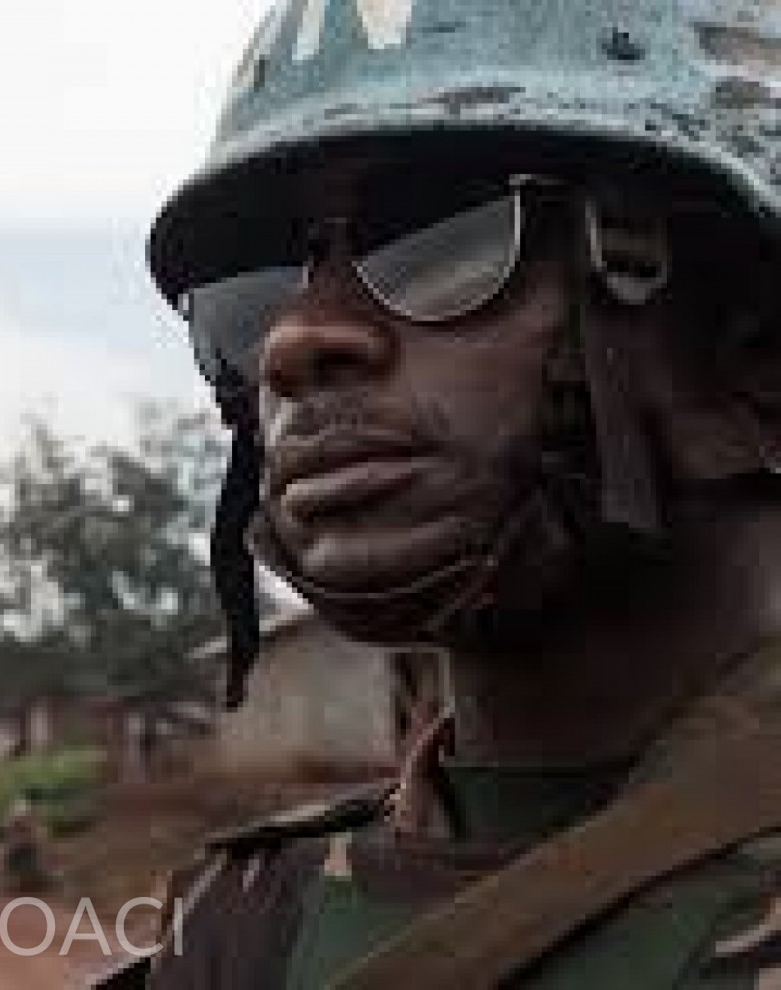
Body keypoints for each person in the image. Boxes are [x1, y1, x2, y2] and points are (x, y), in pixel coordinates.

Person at [98, 2, 781, 986]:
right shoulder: (249, 923)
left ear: (752, 340)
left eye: (446, 235)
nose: (295, 341)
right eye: (252, 294)